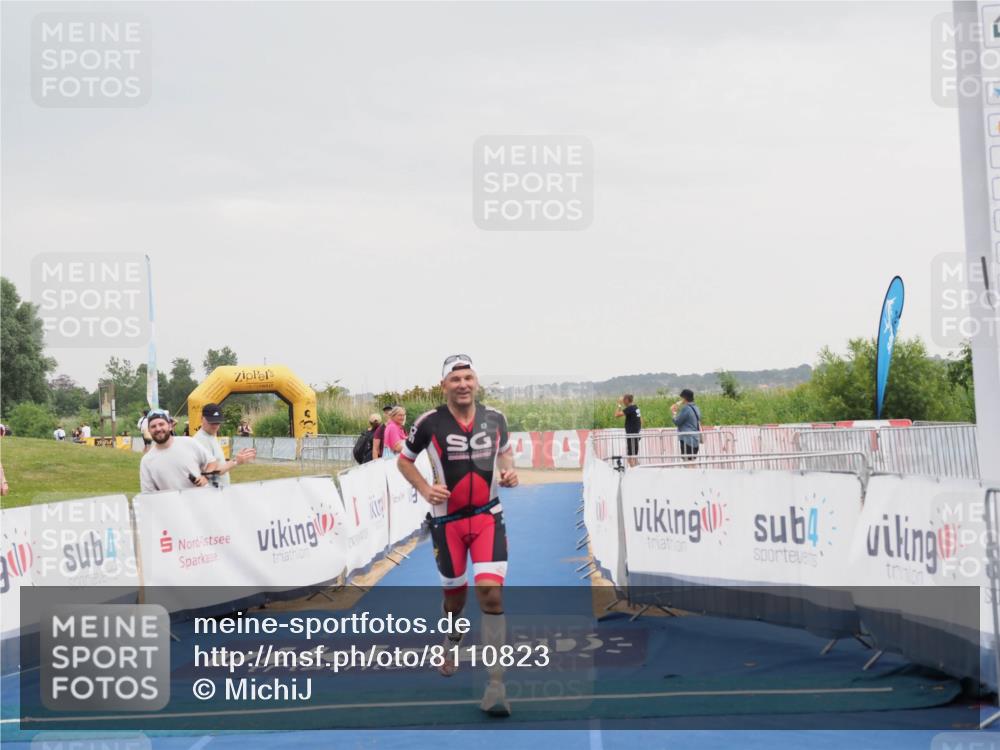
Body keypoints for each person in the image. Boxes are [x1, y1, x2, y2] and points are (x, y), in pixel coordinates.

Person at [396, 354, 518, 717]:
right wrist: (424, 488)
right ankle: (452, 636)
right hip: (447, 524)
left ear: (476, 381)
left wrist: (509, 474)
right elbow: (404, 460)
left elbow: (506, 454)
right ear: (444, 385)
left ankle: (496, 686)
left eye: (468, 377)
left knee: (490, 594)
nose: (463, 384)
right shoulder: (428, 423)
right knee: (455, 601)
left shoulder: (495, 418)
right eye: (455, 379)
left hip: (487, 518)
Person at [139, 409, 220, 493]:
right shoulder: (146, 461)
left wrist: (205, 477)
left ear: (170, 426)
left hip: (201, 500)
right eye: (153, 426)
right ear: (149, 430)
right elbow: (148, 494)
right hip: (172, 504)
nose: (158, 429)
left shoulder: (189, 442)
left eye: (161, 424)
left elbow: (212, 462)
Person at [192, 403, 256, 487]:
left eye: (217, 422)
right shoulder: (201, 440)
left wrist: (236, 459)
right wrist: (236, 461)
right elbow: (211, 472)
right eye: (211, 422)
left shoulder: (211, 435)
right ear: (202, 419)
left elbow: (218, 463)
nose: (215, 425)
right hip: (211, 493)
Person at [671, 388, 702, 460]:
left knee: (687, 461)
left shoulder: (686, 408)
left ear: (684, 398)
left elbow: (677, 422)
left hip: (687, 440)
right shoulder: (696, 408)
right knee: (692, 461)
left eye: (681, 398)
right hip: (695, 439)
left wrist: (674, 413)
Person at [614, 394, 642, 467]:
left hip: (631, 435)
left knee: (630, 458)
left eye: (623, 400)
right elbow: (641, 420)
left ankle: (634, 473)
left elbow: (616, 415)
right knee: (634, 456)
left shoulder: (630, 408)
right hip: (636, 434)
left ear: (626, 400)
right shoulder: (636, 407)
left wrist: (619, 404)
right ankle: (638, 470)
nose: (623, 402)